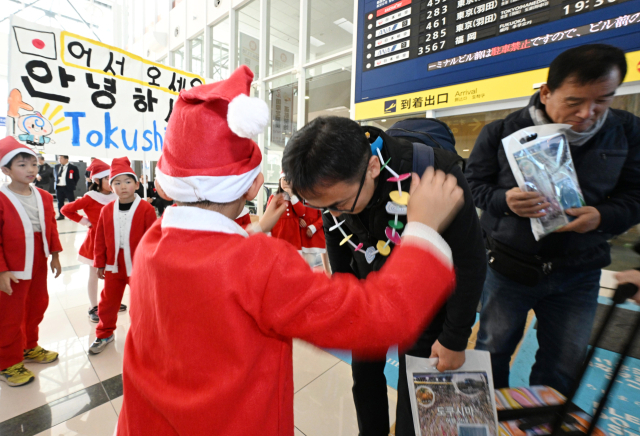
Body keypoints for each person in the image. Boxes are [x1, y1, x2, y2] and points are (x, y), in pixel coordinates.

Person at [116, 66, 464, 436]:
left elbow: (206, 262)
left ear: (168, 185)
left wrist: (257, 229)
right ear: (253, 186)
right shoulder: (261, 265)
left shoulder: (154, 241)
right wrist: (423, 232)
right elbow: (376, 319)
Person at [282, 116, 487, 436]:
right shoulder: (334, 194)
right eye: (322, 206)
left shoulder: (435, 176)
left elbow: (472, 260)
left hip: (428, 302)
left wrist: (453, 338)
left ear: (373, 168)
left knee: (418, 406)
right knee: (364, 382)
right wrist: (346, 305)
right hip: (369, 293)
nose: (332, 213)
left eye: (338, 204)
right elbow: (338, 246)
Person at [465, 44, 640, 396]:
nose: (587, 113)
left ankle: (544, 424)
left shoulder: (627, 132)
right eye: (574, 101)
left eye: (603, 101)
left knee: (563, 363)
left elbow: (635, 195)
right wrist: (505, 201)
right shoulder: (501, 132)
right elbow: (472, 187)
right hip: (509, 268)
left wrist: (603, 216)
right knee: (492, 351)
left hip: (580, 271)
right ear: (546, 92)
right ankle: (492, 420)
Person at [0, 137, 63, 387]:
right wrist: (2, 270)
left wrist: (56, 255)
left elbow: (51, 227)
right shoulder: (2, 198)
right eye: (22, 165)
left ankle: (28, 347)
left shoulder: (45, 196)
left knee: (37, 304)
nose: (30, 170)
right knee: (10, 313)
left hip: (38, 257)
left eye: (34, 165)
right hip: (12, 264)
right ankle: (7, 361)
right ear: (6, 170)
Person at [89, 157, 157, 355]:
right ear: (111, 187)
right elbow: (100, 238)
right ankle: (104, 333)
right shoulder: (107, 210)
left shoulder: (145, 209)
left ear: (137, 184)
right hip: (113, 264)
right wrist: (99, 262)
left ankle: (143, 333)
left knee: (141, 301)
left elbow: (152, 238)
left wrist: (151, 264)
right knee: (108, 301)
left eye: (127, 181)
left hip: (139, 265)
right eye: (117, 183)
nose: (123, 186)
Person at [60, 159, 120, 323]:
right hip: (96, 242)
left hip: (114, 240)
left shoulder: (117, 195)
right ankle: (93, 306)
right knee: (93, 275)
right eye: (108, 178)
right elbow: (66, 209)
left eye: (113, 177)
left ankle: (110, 301)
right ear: (97, 180)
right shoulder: (90, 197)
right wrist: (85, 221)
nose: (112, 181)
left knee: (112, 274)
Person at [267, 173, 306, 251]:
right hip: (277, 234)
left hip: (293, 236)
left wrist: (291, 194)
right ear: (279, 180)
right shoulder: (274, 197)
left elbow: (302, 212)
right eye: (284, 179)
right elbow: (268, 216)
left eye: (290, 179)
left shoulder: (297, 197)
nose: (287, 181)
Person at [54, 155, 79, 220]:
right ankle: (61, 215)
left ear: (66, 159)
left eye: (61, 158)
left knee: (71, 201)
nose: (59, 159)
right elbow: (55, 176)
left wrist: (72, 184)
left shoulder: (73, 167)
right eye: (59, 158)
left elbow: (77, 177)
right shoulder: (56, 166)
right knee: (60, 202)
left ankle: (73, 214)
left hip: (68, 187)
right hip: (59, 187)